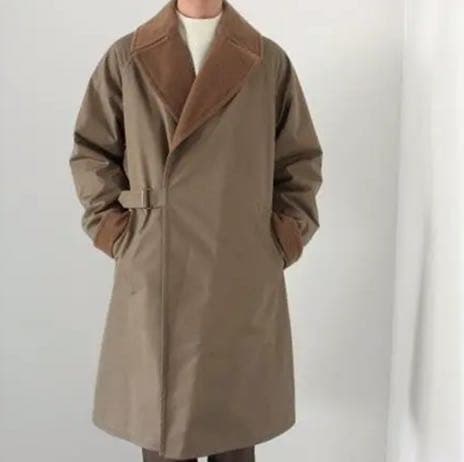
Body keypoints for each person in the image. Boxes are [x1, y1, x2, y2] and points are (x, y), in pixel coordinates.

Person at [69, 0, 322, 460]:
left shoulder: (268, 61)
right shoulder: (127, 57)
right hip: (156, 267)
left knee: (235, 432)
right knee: (164, 434)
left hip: (239, 271)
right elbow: (92, 151)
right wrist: (118, 231)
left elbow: (299, 162)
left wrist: (279, 241)